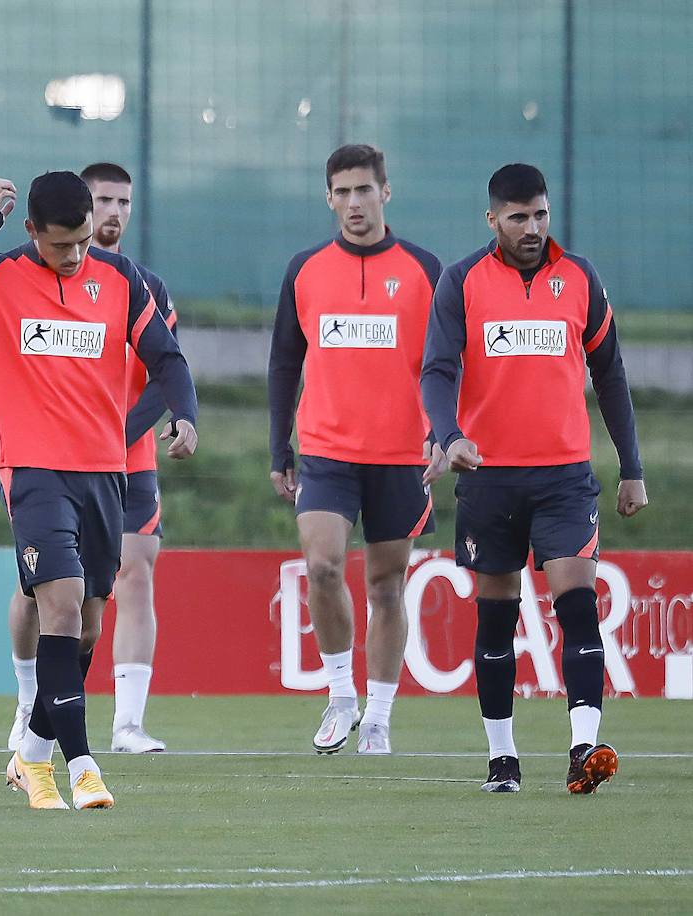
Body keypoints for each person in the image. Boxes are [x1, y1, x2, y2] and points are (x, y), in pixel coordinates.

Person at [0, 172, 198, 810]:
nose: (76, 256)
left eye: (84, 242)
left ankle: (31, 753)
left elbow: (167, 357)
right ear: (32, 231)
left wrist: (186, 413)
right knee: (58, 606)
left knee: (86, 627)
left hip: (104, 472)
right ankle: (80, 765)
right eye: (62, 246)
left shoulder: (119, 281)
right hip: (32, 470)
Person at [420, 162, 648, 794]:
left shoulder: (579, 278)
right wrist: (450, 436)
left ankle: (582, 751)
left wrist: (631, 468)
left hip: (566, 478)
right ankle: (503, 761)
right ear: (492, 218)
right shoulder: (461, 280)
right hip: (489, 479)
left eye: (540, 214)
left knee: (577, 607)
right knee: (497, 621)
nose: (531, 227)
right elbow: (437, 370)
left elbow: (611, 375)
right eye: (518, 216)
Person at [267, 144, 446, 755]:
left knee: (386, 587)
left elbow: (449, 364)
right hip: (326, 450)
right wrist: (278, 446)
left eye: (363, 190)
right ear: (329, 199)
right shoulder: (306, 269)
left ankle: (380, 715)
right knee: (321, 565)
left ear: (385, 193)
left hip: (401, 454)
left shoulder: (426, 270)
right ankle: (342, 694)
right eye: (341, 192)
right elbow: (285, 362)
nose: (353, 203)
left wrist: (444, 434)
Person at [5, 162, 178, 755]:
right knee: (42, 592)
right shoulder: (20, 278)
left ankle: (126, 723)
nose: (113, 213)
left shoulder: (140, 284)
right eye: (102, 199)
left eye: (124, 202)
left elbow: (167, 367)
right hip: (44, 459)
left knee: (128, 581)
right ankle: (33, 703)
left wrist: (122, 432)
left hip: (125, 457)